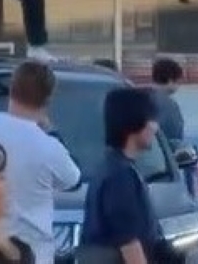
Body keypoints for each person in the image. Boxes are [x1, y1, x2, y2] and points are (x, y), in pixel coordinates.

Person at [0, 61, 81, 264]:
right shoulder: (47, 146)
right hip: (34, 252)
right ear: (48, 99)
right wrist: (50, 130)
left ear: (11, 89)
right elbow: (73, 179)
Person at [79, 88, 180, 264]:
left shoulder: (112, 167)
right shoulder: (120, 177)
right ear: (136, 122)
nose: (155, 127)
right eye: (152, 121)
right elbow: (129, 243)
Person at [149, 58, 185, 146]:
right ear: (170, 80)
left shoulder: (139, 97)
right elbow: (174, 138)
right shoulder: (170, 106)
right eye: (179, 80)